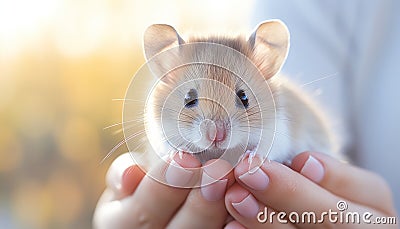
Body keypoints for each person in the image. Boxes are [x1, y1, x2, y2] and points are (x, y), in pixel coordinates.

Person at [93, 1, 399, 228]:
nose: (215, 130)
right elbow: (160, 145)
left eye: (241, 98)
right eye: (191, 99)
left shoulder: (274, 109)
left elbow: (278, 142)